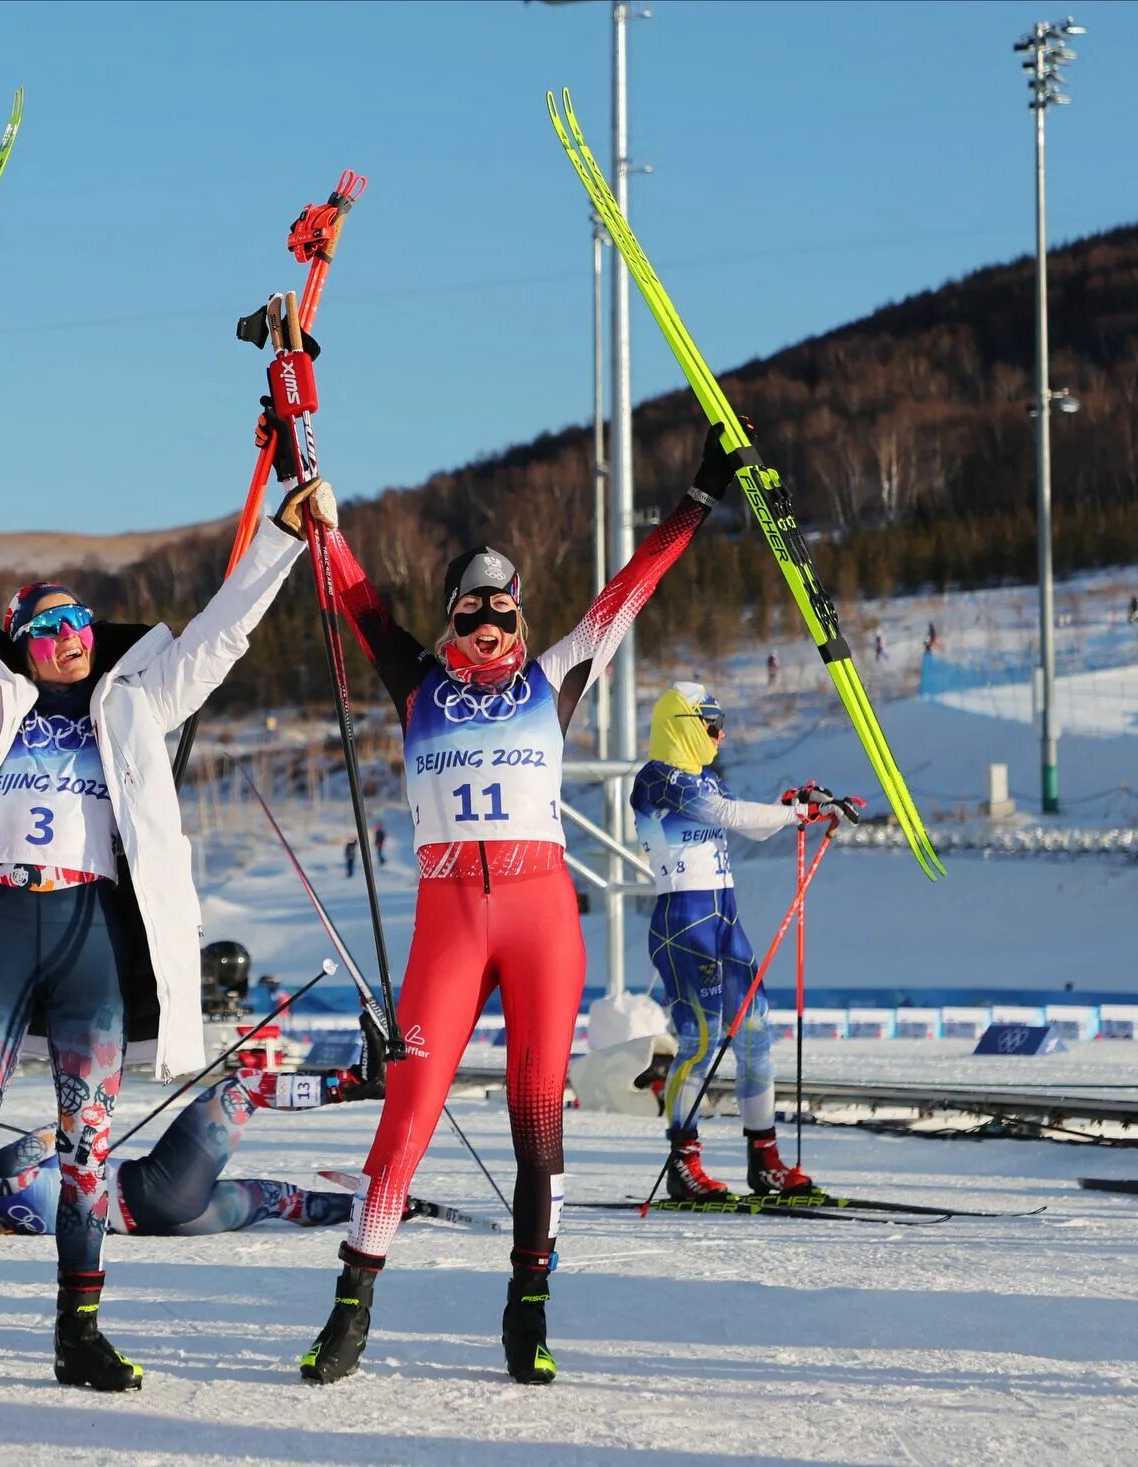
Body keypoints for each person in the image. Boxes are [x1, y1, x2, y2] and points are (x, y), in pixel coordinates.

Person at [0, 426, 326, 1397]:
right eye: (40, 630)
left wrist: (284, 538)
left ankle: (78, 1333)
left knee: (86, 1150)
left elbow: (220, 634)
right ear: (19, 645)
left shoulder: (138, 703)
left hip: (88, 947)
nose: (63, 640)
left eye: (75, 622)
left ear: (95, 632)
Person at [296, 425, 739, 1389]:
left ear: (521, 618)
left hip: (540, 914)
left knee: (539, 1117)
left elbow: (634, 589)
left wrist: (699, 498)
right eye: (471, 617)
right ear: (451, 621)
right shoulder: (417, 682)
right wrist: (318, 512)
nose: (488, 632)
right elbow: (356, 596)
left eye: (502, 614)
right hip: (449, 915)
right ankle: (352, 1303)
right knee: (407, 1112)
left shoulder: (556, 673)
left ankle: (528, 1309)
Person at [632, 684, 862, 1200]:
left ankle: (766, 1161)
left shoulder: (704, 779)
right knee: (701, 1044)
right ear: (684, 725)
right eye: (713, 725)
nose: (722, 735)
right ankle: (683, 1163)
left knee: (756, 1036)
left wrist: (795, 805)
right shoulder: (658, 780)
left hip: (724, 921)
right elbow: (729, 817)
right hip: (685, 925)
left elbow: (750, 828)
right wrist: (794, 813)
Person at [0, 1066, 380, 1242]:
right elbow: (72, 1126)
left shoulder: (12, 1219)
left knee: (279, 1198)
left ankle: (374, 1212)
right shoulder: (0, 1174)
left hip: (169, 1222)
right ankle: (350, 1085)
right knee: (242, 1089)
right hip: (151, 1188)